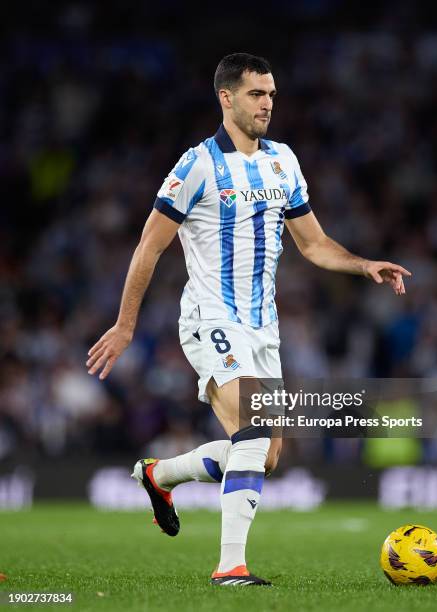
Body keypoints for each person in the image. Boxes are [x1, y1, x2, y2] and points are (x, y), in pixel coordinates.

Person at [86, 52, 411, 586]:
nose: (268, 104)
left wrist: (363, 264)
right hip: (211, 317)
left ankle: (159, 474)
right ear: (227, 97)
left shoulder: (283, 160)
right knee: (254, 431)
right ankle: (229, 566)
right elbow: (148, 247)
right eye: (258, 94)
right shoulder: (196, 166)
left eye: (272, 94)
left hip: (264, 327)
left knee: (264, 458)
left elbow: (313, 244)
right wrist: (125, 325)